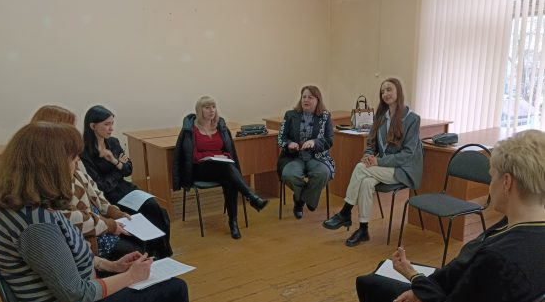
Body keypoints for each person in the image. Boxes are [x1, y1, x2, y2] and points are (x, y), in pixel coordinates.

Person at [351, 129, 545, 302]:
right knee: (416, 287)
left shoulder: (500, 258)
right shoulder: (520, 227)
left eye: (491, 177)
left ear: (507, 182)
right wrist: (423, 285)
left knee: (370, 287)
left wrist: (415, 278)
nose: (490, 186)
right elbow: (468, 273)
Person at [0, 122, 196, 302]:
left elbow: (65, 256)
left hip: (71, 299)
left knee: (166, 286)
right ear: (50, 166)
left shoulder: (23, 203)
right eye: (72, 158)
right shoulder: (36, 225)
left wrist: (112, 265)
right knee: (173, 291)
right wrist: (130, 276)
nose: (77, 163)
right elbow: (77, 294)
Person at [31, 105, 142, 261]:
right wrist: (110, 224)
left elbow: (95, 191)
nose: (74, 133)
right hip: (89, 237)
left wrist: (114, 212)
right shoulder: (47, 176)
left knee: (148, 221)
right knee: (136, 247)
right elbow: (71, 218)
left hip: (100, 221)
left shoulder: (73, 159)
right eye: (70, 129)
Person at [323, 78, 422, 246]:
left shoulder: (412, 118)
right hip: (382, 167)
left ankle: (345, 212)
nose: (386, 94)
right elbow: (371, 143)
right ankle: (363, 229)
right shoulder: (380, 117)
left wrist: (378, 161)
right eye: (383, 91)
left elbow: (408, 154)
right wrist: (368, 155)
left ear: (398, 91)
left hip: (403, 169)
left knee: (361, 168)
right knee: (366, 182)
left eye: (389, 89)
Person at [81, 105, 172, 259]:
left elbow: (129, 170)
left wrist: (114, 160)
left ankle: (161, 253)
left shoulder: (113, 143)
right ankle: (147, 253)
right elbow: (100, 185)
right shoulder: (84, 152)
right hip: (107, 196)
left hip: (124, 188)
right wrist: (118, 167)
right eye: (107, 124)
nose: (111, 128)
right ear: (93, 126)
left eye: (112, 124)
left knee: (154, 207)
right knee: (142, 213)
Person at [173, 96, 268, 239]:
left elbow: (228, 149)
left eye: (213, 107)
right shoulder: (190, 129)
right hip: (200, 169)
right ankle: (251, 197)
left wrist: (224, 157)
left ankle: (233, 222)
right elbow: (190, 155)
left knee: (229, 180)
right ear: (199, 110)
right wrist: (209, 157)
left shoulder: (220, 126)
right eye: (207, 107)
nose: (211, 110)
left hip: (222, 167)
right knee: (227, 170)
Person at [277, 86, 334, 219]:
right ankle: (307, 197)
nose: (306, 100)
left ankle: (300, 200)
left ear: (317, 100)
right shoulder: (290, 115)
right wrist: (289, 144)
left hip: (317, 156)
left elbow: (329, 140)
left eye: (310, 97)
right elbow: (280, 138)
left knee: (323, 173)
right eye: (304, 97)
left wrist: (314, 142)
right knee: (289, 175)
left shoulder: (325, 116)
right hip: (293, 157)